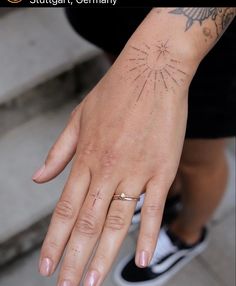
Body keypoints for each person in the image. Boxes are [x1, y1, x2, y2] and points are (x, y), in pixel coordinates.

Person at [32, 8, 235, 286]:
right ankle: (167, 192)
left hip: (214, 44)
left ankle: (187, 235)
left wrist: (168, 50)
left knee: (198, 159)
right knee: (118, 61)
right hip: (116, 12)